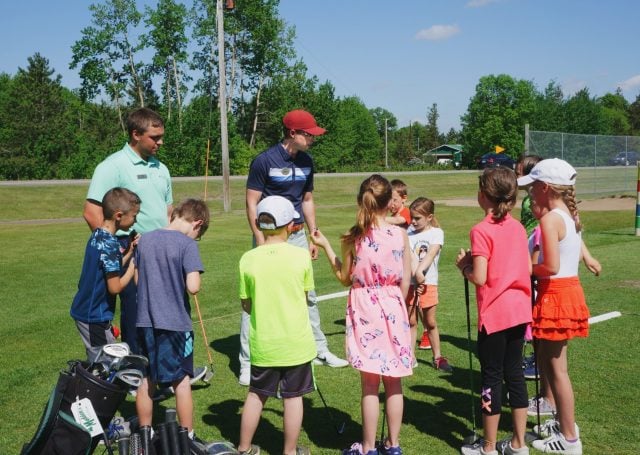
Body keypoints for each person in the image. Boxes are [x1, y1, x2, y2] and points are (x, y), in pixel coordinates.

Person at [240, 109, 348, 386]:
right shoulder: (264, 161)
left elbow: (307, 199)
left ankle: (318, 349)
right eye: (308, 133)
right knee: (255, 298)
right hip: (269, 235)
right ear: (292, 134)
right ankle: (247, 361)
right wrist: (260, 238)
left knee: (307, 294)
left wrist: (314, 234)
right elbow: (252, 202)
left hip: (298, 235)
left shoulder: (308, 161)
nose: (312, 138)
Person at [311, 174, 413, 455]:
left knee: (370, 383)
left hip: (365, 308)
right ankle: (393, 445)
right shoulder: (400, 235)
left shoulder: (354, 236)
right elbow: (405, 280)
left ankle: (368, 447)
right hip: (393, 304)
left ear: (361, 200)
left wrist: (327, 246)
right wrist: (396, 306)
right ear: (389, 202)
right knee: (394, 381)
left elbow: (345, 277)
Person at [83, 107, 172, 354]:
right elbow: (92, 212)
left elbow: (167, 211)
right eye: (155, 137)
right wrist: (113, 248)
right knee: (135, 311)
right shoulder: (112, 166)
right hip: (128, 248)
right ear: (135, 134)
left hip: (160, 249)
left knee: (162, 309)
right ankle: (136, 371)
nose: (160, 142)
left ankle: (161, 367)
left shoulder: (161, 168)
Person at [455, 167, 532, 455]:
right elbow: (525, 268)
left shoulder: (480, 230)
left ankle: (488, 447)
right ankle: (518, 443)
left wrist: (465, 265)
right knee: (515, 374)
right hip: (520, 311)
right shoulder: (518, 227)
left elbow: (481, 276)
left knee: (491, 377)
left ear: (484, 196)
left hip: (496, 314)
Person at [517, 159, 590, 454]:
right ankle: (562, 423)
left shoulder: (550, 220)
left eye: (533, 186)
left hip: (556, 295)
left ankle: (570, 438)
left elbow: (550, 265)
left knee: (557, 370)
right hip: (563, 292)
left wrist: (523, 267)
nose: (531, 192)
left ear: (545, 187)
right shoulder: (569, 215)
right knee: (551, 364)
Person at [237, 196, 316, 455]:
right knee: (293, 398)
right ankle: (290, 451)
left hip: (264, 343)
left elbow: (246, 305)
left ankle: (244, 447)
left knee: (255, 395)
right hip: (296, 343)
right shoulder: (301, 257)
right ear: (290, 224)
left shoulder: (248, 259)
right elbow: (305, 299)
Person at [134, 198, 210, 443]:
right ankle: (187, 434)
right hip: (174, 324)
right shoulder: (187, 245)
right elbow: (193, 287)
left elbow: (137, 280)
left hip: (145, 321)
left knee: (147, 378)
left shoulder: (145, 239)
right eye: (198, 234)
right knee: (181, 380)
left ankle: (145, 432)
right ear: (196, 223)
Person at [70, 188, 140, 361]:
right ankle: (76, 387)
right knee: (106, 363)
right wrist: (134, 266)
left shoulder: (99, 236)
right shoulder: (109, 245)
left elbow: (111, 268)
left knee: (103, 361)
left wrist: (130, 252)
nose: (135, 221)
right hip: (94, 315)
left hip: (88, 311)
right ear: (118, 215)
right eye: (134, 216)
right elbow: (114, 287)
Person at [407, 197, 452, 372]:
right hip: (410, 283)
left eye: (417, 218)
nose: (413, 221)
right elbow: (410, 257)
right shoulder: (408, 234)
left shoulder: (436, 233)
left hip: (429, 283)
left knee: (430, 321)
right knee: (411, 321)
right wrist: (415, 274)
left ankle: (437, 357)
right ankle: (409, 357)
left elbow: (431, 254)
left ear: (429, 217)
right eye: (412, 217)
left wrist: (421, 273)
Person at [386, 180, 431, 350]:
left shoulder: (405, 213)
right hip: (400, 263)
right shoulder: (394, 214)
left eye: (394, 200)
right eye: (389, 200)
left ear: (404, 199)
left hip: (413, 263)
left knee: (419, 302)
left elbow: (398, 221)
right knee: (408, 300)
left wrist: (379, 218)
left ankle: (426, 330)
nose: (392, 203)